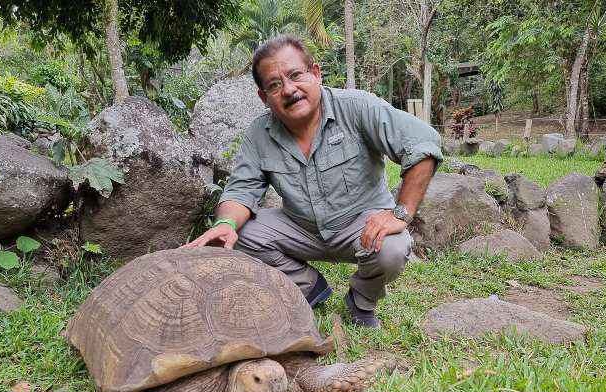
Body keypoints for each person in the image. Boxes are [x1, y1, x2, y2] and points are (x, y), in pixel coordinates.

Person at [186, 34, 442, 328]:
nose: (289, 90)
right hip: (302, 228)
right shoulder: (259, 133)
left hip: (361, 227)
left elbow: (424, 145)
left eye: (296, 75)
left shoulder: (357, 107)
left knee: (393, 247)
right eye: (274, 85)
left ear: (316, 73)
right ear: (263, 97)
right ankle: (309, 287)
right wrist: (225, 225)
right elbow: (241, 189)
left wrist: (400, 213)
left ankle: (361, 301)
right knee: (237, 234)